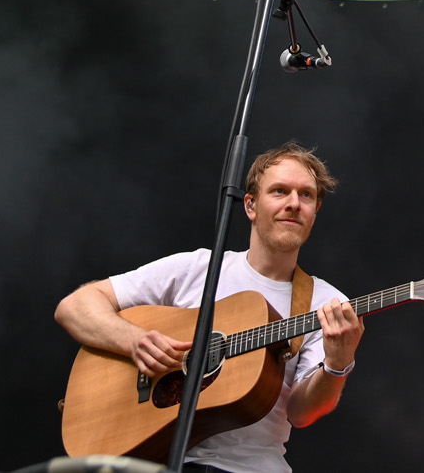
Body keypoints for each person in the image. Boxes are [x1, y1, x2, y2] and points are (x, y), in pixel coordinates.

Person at [54, 143, 364, 473]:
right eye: (279, 191)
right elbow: (74, 307)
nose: (293, 204)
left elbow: (302, 412)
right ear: (250, 205)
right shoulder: (198, 268)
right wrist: (133, 340)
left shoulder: (326, 304)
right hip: (158, 460)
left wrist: (337, 364)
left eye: (306, 196)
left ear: (315, 211)